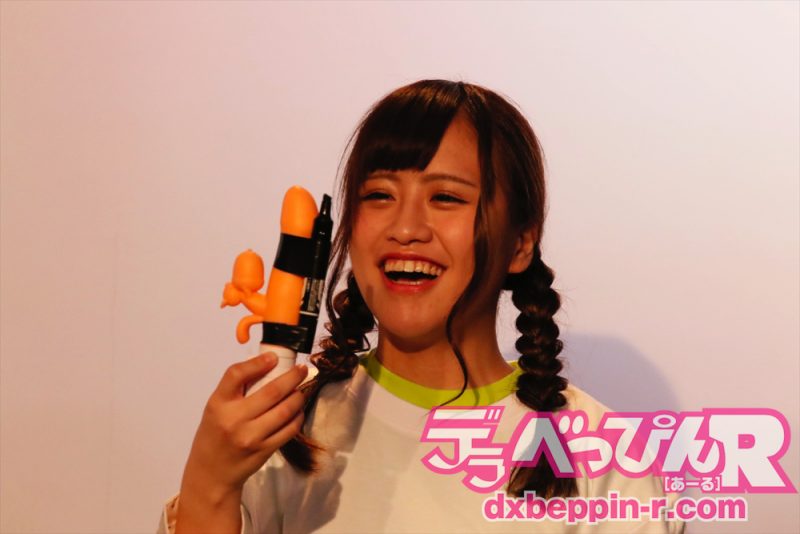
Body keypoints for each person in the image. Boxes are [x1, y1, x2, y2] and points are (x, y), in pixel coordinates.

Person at [159, 79, 684, 533]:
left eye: (446, 198)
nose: (405, 228)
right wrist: (210, 481)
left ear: (521, 243)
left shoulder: (606, 458)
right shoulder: (279, 428)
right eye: (378, 195)